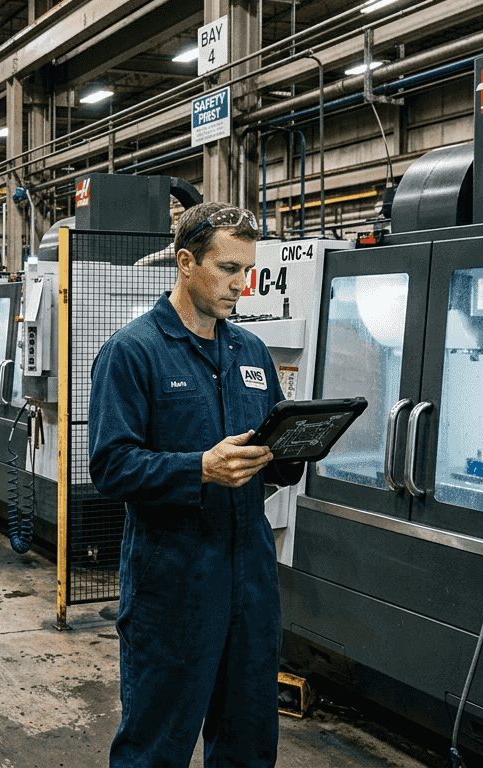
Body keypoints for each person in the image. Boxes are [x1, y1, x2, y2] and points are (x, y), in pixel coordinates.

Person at [89, 202, 304, 768]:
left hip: (249, 580)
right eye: (229, 268)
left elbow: (272, 452)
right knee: (155, 746)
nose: (243, 284)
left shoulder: (251, 351)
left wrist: (294, 451)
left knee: (248, 744)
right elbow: (111, 465)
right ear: (185, 262)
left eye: (249, 269)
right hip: (172, 585)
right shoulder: (133, 351)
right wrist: (198, 468)